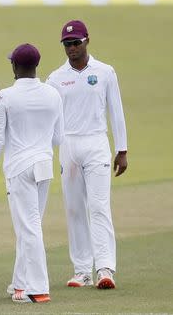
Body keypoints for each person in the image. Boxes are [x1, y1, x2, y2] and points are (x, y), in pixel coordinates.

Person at [46, 20, 128, 289]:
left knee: (99, 206)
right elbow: (50, 119)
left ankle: (105, 268)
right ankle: (81, 270)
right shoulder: (55, 78)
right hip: (68, 145)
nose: (71, 48)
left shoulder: (105, 72)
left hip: (96, 143)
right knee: (74, 209)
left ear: (87, 41)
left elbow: (116, 111)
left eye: (76, 42)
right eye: (67, 44)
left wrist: (122, 149)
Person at [0, 44, 64, 303]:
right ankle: (20, 282)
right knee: (30, 225)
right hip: (43, 164)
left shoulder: (4, 97)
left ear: (15, 67)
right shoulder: (53, 94)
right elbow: (58, 137)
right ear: (36, 66)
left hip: (19, 168)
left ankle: (37, 289)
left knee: (28, 228)